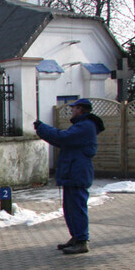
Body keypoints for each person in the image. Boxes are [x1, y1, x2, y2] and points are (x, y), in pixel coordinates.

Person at [34, 98, 105, 254]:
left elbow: (63, 137)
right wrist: (43, 131)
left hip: (77, 173)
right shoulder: (82, 125)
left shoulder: (85, 126)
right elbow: (62, 140)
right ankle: (76, 237)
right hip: (73, 172)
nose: (71, 111)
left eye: (73, 108)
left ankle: (82, 240)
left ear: (80, 109)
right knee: (70, 208)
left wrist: (43, 128)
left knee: (77, 208)